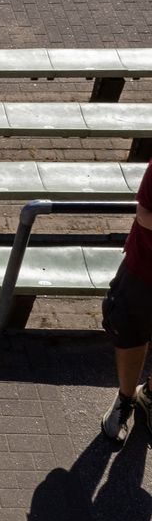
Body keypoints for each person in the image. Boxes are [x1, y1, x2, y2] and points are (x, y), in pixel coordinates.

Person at [100, 158, 152, 443]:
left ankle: (150, 395)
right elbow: (144, 214)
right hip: (145, 269)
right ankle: (126, 398)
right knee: (131, 336)